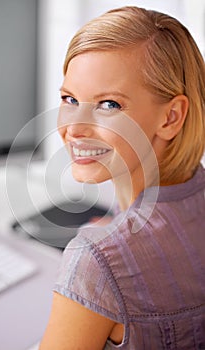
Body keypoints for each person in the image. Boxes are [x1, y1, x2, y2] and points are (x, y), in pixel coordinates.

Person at [39, 6, 205, 350]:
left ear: (171, 117)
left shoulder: (94, 259)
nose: (74, 129)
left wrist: (104, 253)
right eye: (70, 99)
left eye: (109, 104)